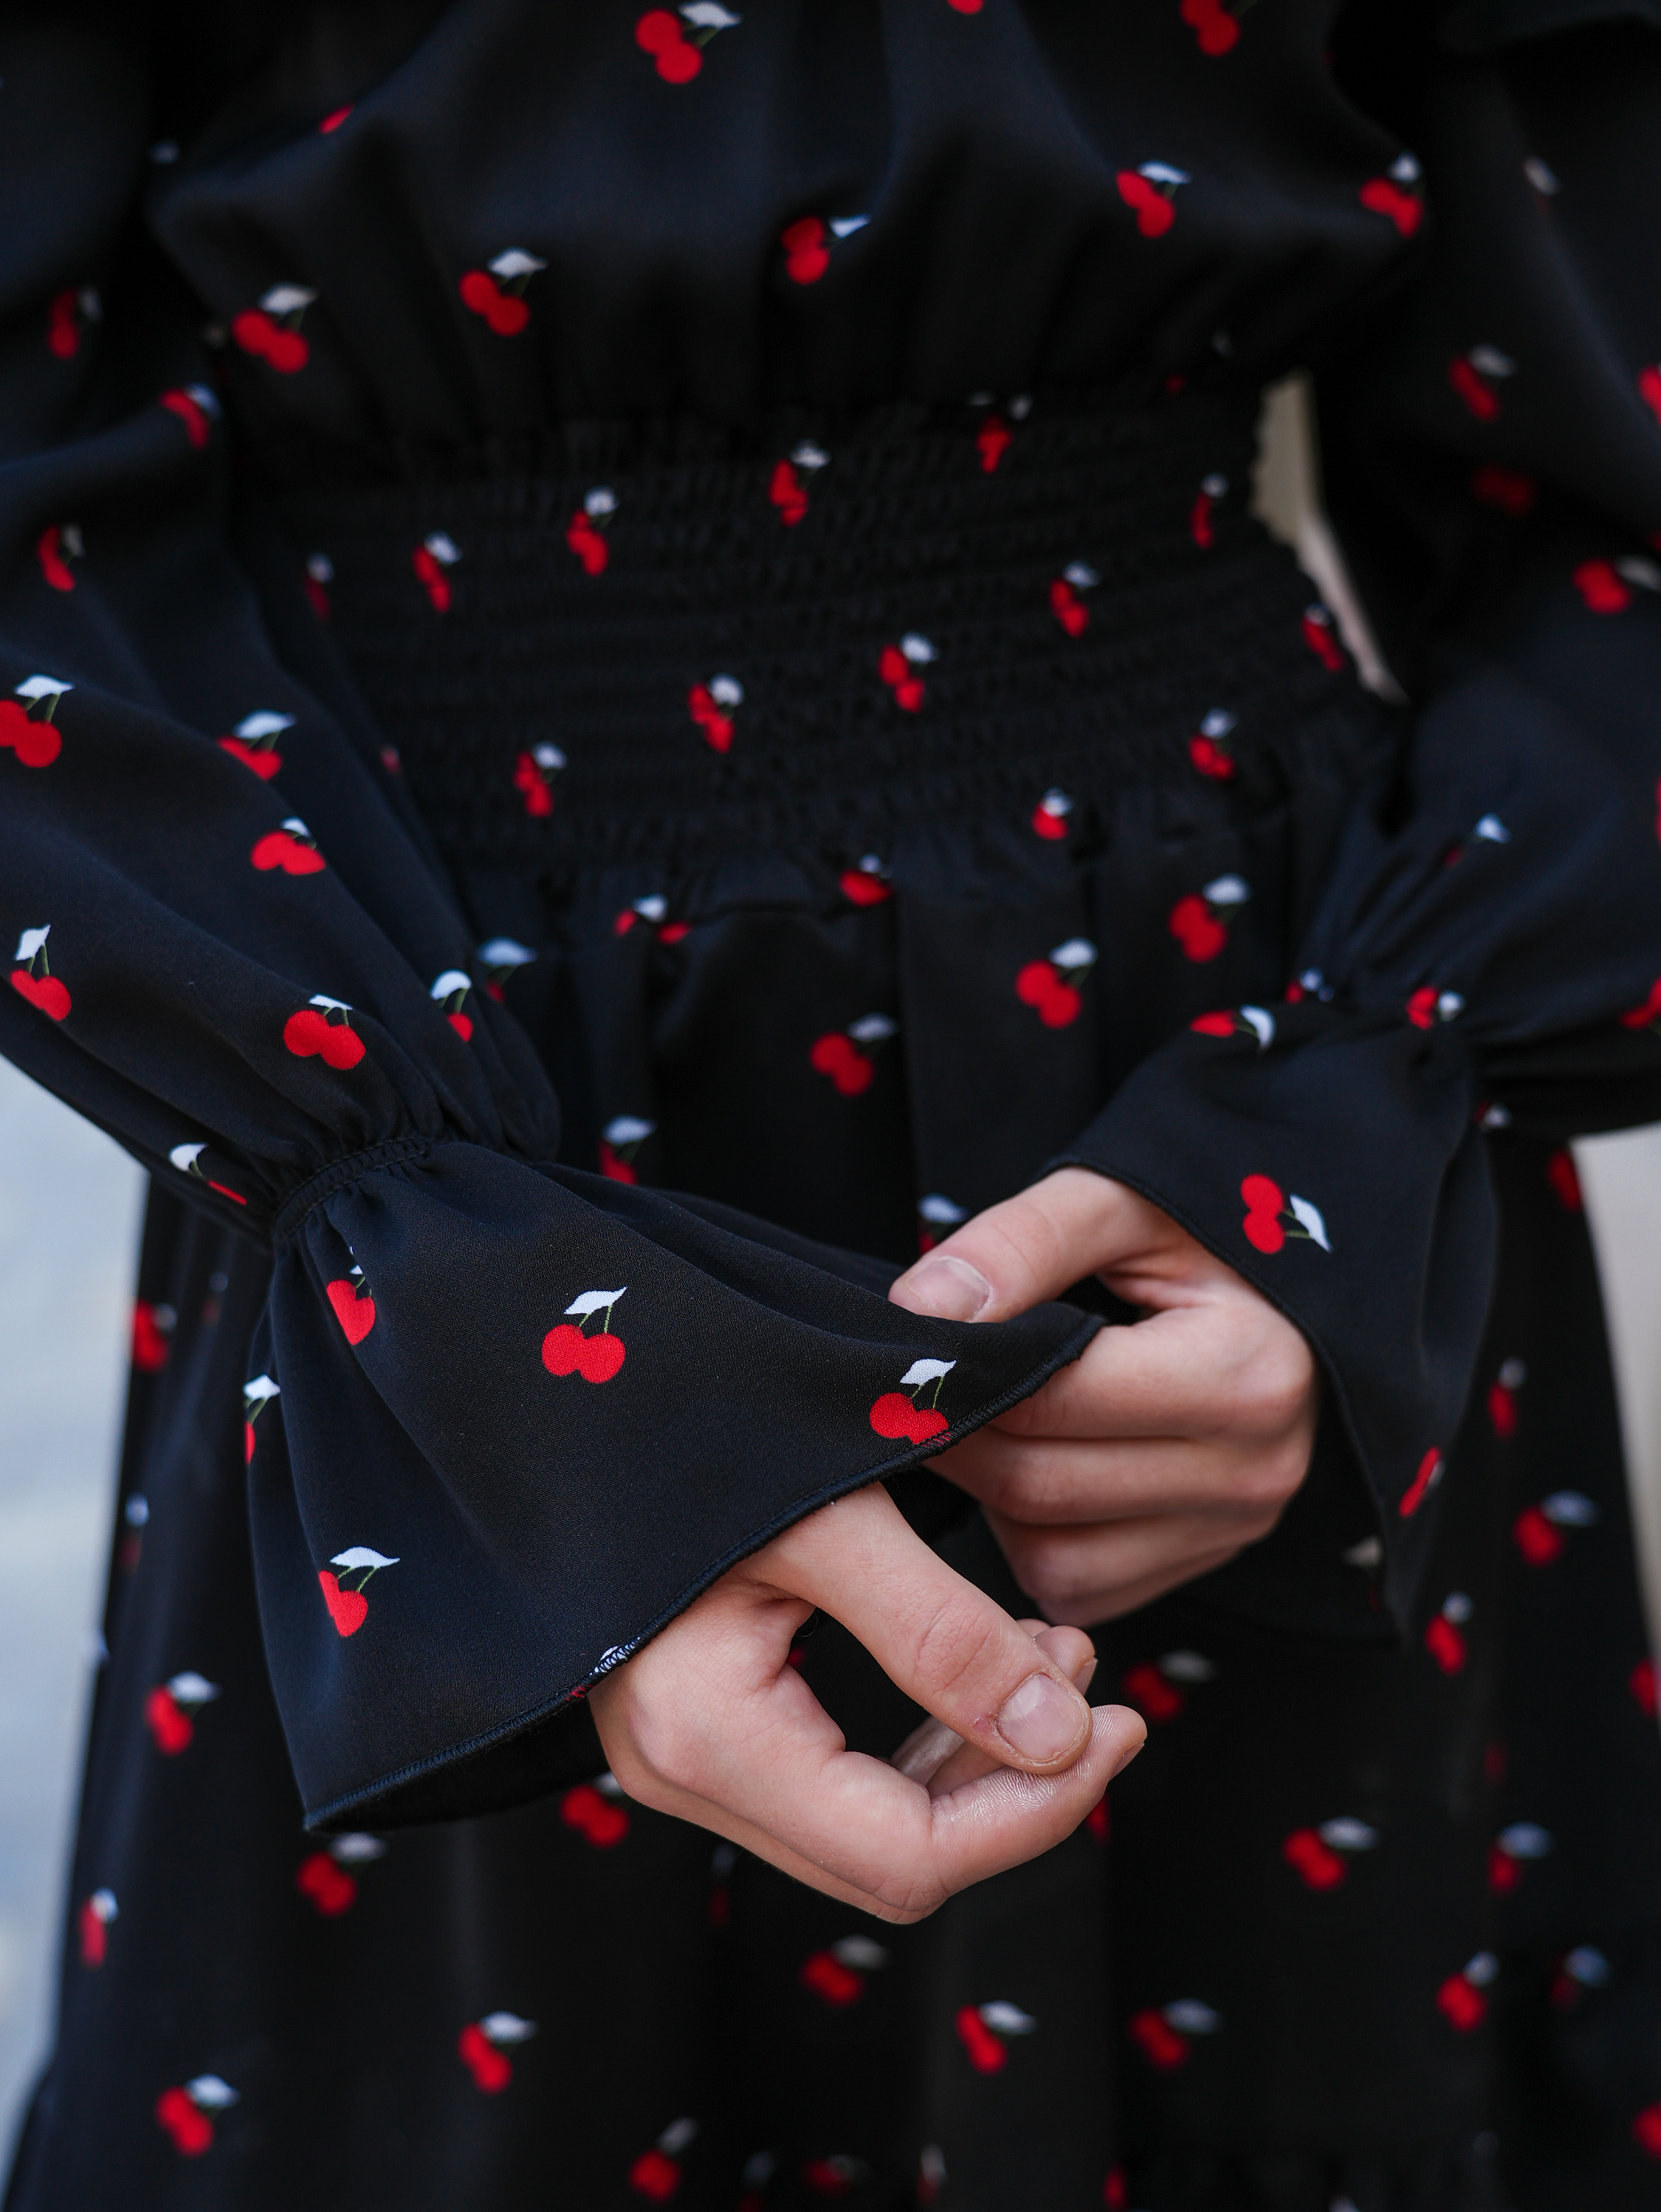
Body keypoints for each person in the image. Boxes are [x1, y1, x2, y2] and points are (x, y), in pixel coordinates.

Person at [1, 1, 1660, 2205]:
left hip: (1244, 1178)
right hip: (434, 1110)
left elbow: (1613, 464)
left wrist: (1352, 1133)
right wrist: (444, 1275)